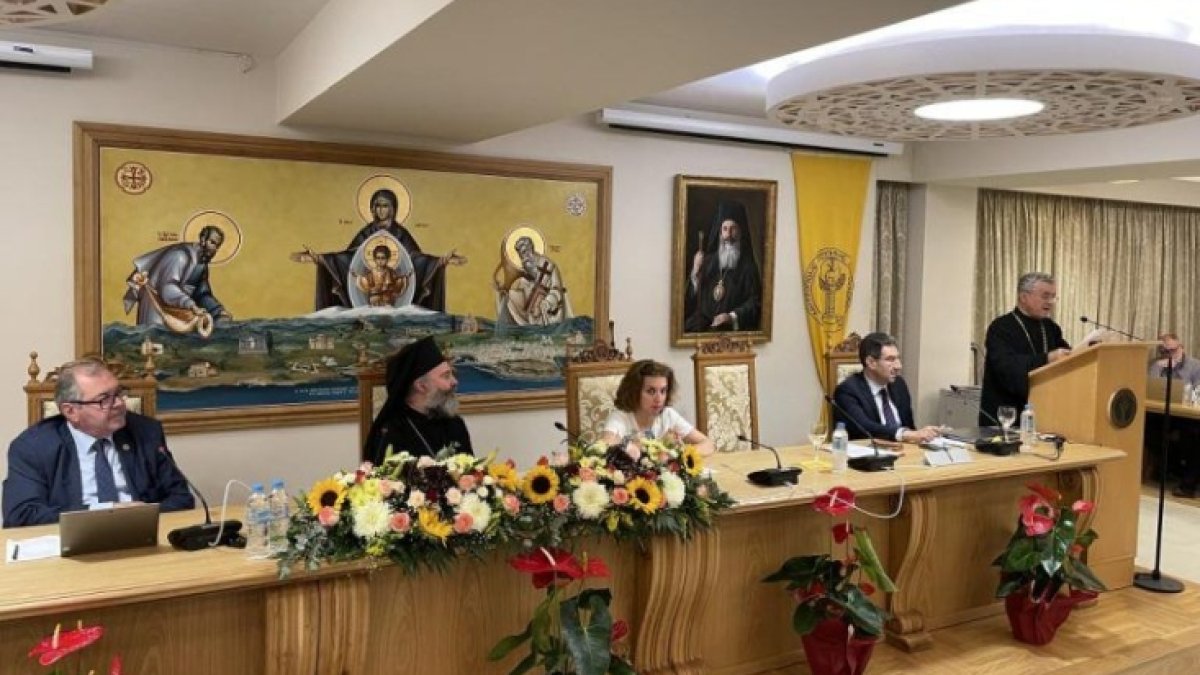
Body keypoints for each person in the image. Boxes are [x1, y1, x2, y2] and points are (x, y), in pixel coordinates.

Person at [2, 359, 195, 527]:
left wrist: (141, 515)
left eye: (118, 393)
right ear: (70, 411)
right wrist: (107, 511)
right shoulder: (33, 447)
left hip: (141, 536)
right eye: (104, 399)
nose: (119, 403)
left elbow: (181, 499)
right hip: (70, 543)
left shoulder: (146, 432)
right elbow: (21, 514)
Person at [293, 188, 466, 312]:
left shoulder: (401, 233)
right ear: (372, 209)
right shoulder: (366, 233)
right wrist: (319, 258)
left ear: (393, 208)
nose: (381, 210)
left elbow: (416, 259)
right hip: (370, 297)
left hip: (393, 298)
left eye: (385, 205)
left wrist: (441, 261)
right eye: (377, 206)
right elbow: (349, 257)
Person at [979, 272, 1071, 426]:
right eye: (1045, 296)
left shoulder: (1051, 328)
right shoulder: (1001, 327)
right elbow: (1008, 367)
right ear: (1023, 297)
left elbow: (1067, 358)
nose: (1050, 302)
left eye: (1053, 297)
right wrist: (1047, 358)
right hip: (1004, 417)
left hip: (1045, 412)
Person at [364, 336, 473, 464]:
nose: (454, 381)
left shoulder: (454, 423)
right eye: (446, 376)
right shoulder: (390, 432)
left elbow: (472, 470)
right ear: (421, 386)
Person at [833, 332, 941, 443]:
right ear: (871, 362)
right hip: (869, 450)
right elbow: (865, 427)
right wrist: (904, 434)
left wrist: (924, 435)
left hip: (905, 449)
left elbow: (909, 426)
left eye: (898, 358)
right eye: (890, 359)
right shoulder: (847, 391)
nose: (898, 366)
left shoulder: (899, 384)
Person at [123, 225, 232, 334]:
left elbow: (202, 293)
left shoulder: (201, 264)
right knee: (154, 338)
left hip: (180, 313)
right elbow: (167, 289)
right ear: (203, 239)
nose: (214, 249)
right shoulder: (180, 256)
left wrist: (217, 311)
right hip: (157, 309)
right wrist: (191, 305)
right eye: (212, 243)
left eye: (217, 246)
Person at [600, 360, 715, 455]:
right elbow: (605, 450)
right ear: (634, 392)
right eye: (651, 391)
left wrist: (678, 452)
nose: (659, 399)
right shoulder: (619, 418)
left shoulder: (668, 415)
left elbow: (708, 444)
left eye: (663, 391)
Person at [684, 200, 762, 333]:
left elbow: (755, 302)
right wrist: (695, 274)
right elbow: (691, 301)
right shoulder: (707, 261)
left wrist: (731, 317)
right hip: (701, 324)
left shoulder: (748, 267)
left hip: (729, 329)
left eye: (733, 228)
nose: (728, 235)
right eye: (725, 229)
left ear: (740, 232)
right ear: (720, 232)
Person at [497, 235, 572, 326]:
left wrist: (547, 302)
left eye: (524, 252)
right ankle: (521, 326)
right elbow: (523, 291)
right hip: (532, 312)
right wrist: (504, 292)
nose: (523, 258)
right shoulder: (527, 271)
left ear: (531, 250)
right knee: (510, 297)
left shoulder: (549, 266)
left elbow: (557, 289)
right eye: (520, 255)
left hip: (550, 313)